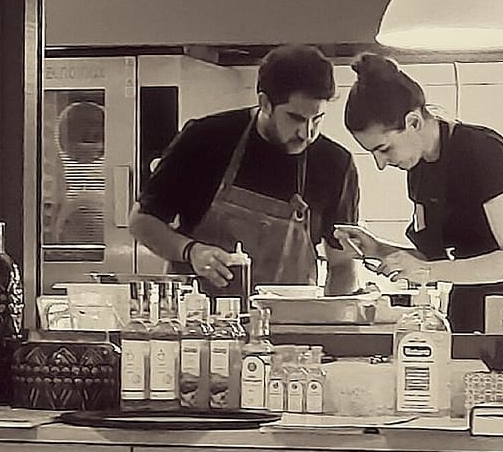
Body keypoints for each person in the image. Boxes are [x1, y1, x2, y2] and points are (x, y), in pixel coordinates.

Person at [335, 53, 503, 332]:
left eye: (384, 149)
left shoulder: (482, 152)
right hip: (465, 315)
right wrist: (379, 249)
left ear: (413, 122)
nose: (380, 164)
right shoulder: (419, 171)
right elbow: (439, 260)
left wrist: (425, 272)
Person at [129, 44, 360, 296]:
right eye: (295, 118)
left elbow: (342, 263)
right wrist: (191, 251)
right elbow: (142, 222)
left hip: (289, 324)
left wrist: (336, 325)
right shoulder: (206, 139)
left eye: (317, 119)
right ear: (265, 103)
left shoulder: (335, 163)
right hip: (202, 322)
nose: (306, 134)